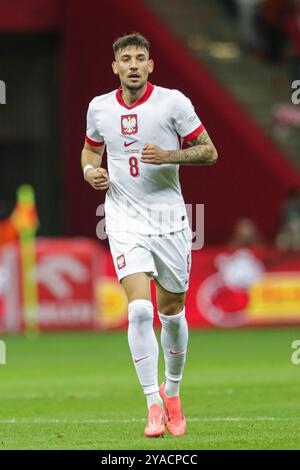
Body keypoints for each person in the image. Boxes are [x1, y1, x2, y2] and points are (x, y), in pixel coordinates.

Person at [81, 33, 218, 438]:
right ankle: (152, 403)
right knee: (139, 311)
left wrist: (170, 155)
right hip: (123, 218)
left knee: (172, 312)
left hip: (170, 220)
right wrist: (92, 173)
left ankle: (172, 392)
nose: (134, 65)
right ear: (116, 67)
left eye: (141, 58)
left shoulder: (173, 102)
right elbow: (90, 152)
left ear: (151, 65)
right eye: (127, 59)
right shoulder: (99, 108)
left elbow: (209, 151)